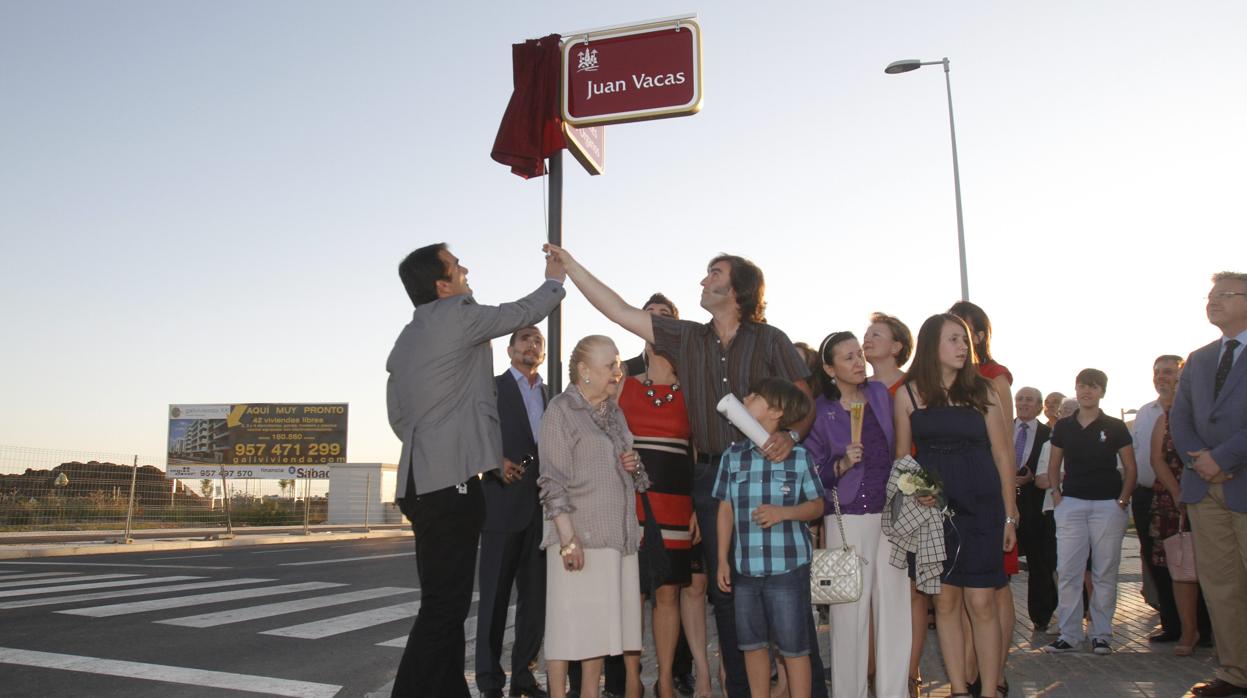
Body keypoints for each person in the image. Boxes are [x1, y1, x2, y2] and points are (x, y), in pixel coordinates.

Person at [542, 244, 825, 698]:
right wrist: (571, 267)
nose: (702, 280)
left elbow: (804, 400)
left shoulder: (771, 339)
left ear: (737, 290)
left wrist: (789, 438)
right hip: (712, 479)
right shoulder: (687, 337)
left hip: (768, 476)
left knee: (787, 588)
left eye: (713, 273)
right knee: (727, 592)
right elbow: (618, 310)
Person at [387, 243, 565, 698]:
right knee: (444, 609)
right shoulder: (458, 314)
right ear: (442, 286)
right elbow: (521, 311)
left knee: (442, 601)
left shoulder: (409, 337)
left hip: (417, 479)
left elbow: (398, 417)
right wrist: (554, 280)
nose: (466, 268)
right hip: (451, 483)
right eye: (456, 265)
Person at [893, 313, 1018, 698]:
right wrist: (916, 492)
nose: (964, 347)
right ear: (932, 345)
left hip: (983, 508)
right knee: (944, 602)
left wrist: (1010, 515)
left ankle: (990, 690)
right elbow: (903, 461)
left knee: (982, 601)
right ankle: (959, 690)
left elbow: (1002, 454)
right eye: (954, 340)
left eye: (965, 340)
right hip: (933, 513)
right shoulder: (908, 393)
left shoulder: (984, 391)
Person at [538, 335, 648, 698]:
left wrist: (633, 467)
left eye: (618, 364)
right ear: (584, 372)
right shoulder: (561, 409)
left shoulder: (614, 414)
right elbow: (551, 479)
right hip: (577, 538)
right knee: (567, 628)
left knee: (598, 632)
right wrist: (568, 539)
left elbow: (639, 480)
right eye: (610, 365)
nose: (619, 371)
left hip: (614, 540)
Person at [804, 332, 909, 698]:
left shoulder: (880, 394)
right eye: (847, 357)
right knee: (849, 615)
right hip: (846, 516)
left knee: (895, 609)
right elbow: (812, 471)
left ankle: (893, 691)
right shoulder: (819, 410)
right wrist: (841, 463)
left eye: (858, 354)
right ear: (830, 368)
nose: (857, 361)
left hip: (890, 513)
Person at [617, 294, 710, 698]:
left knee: (669, 591)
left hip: (677, 503)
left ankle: (667, 679)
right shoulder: (620, 383)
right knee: (633, 592)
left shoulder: (694, 387)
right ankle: (633, 677)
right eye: (647, 317)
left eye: (665, 318)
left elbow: (697, 450)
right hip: (631, 503)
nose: (655, 325)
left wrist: (695, 506)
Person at [713, 378, 824, 698]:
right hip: (746, 568)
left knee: (794, 647)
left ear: (776, 411)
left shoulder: (799, 457)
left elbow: (817, 505)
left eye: (755, 395)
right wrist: (722, 558)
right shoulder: (733, 456)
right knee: (752, 645)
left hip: (788, 568)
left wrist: (783, 513)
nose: (745, 397)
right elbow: (725, 508)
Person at [1171, 271, 1247, 697]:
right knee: (1221, 585)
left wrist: (1224, 457)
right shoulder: (1198, 359)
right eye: (1211, 295)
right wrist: (1202, 460)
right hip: (1205, 489)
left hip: (1241, 479)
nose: (1214, 301)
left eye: (1225, 295)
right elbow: (1179, 419)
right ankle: (1236, 673)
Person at [476, 326, 552, 698]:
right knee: (493, 600)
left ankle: (524, 675)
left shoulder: (553, 396)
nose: (532, 344)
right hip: (501, 507)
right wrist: (493, 463)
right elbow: (472, 432)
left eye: (538, 340)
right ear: (510, 350)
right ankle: (490, 681)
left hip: (543, 512)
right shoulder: (490, 388)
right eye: (525, 338)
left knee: (535, 603)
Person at [1042, 369, 1138, 656]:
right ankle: (1070, 635)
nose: (1086, 391)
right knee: (1069, 571)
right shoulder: (1064, 426)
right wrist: (1057, 495)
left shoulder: (1115, 426)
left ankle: (1101, 634)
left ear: (1102, 392)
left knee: (1104, 571)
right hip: (1071, 504)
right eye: (1082, 386)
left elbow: (1131, 468)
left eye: (1093, 387)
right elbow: (1053, 465)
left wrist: (1122, 501)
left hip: (1108, 505)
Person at [948, 301, 1015, 696]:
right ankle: (970, 673)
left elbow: (1002, 445)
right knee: (960, 595)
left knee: (997, 587)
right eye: (952, 332)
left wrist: (1007, 508)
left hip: (989, 499)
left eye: (967, 331)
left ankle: (997, 673)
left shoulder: (994, 377)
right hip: (954, 502)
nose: (961, 340)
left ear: (980, 335)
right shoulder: (942, 382)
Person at [1132, 355, 1211, 647]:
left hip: (1200, 495)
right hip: (1158, 497)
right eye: (1158, 373)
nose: (1162, 378)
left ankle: (1206, 628)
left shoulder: (1199, 411)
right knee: (1165, 566)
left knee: (1202, 564)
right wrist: (1175, 493)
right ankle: (1174, 625)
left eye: (1169, 372)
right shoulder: (1146, 413)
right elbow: (1153, 458)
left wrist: (1185, 493)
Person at [1149, 367, 1206, 656]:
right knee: (1182, 570)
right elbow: (1157, 458)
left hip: (1212, 498)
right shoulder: (1165, 419)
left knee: (1217, 569)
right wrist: (1178, 492)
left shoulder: (1208, 416)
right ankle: (1188, 630)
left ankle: (1221, 633)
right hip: (1175, 504)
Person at [1012, 387, 1055, 634]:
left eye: (1029, 400)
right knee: (1002, 562)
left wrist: (1030, 479)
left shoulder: (1049, 434)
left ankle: (1041, 615)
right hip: (1004, 503)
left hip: (1035, 506)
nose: (1023, 403)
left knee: (1039, 562)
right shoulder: (1001, 427)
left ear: (1039, 406)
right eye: (1020, 399)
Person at [864, 312, 913, 396]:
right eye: (865, 336)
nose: (867, 340)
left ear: (896, 347)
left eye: (875, 335)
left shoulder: (912, 386)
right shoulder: (858, 388)